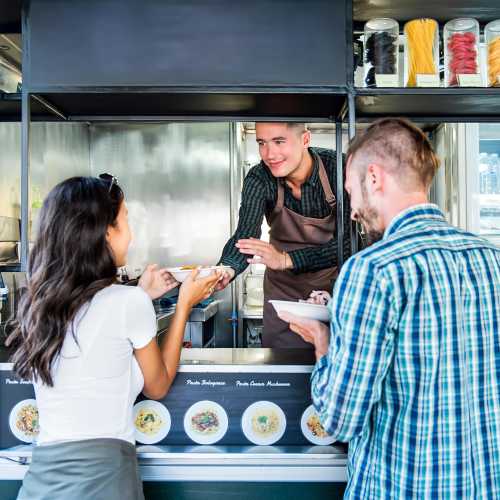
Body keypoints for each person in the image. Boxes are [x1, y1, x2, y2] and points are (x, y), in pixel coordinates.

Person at [279, 118, 500, 498]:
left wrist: (322, 340)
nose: (352, 211)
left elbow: (339, 419)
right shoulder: (491, 259)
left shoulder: (372, 270)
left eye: (353, 193)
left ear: (375, 178)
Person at [6, 175, 221, 500]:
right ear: (106, 232)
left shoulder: (37, 305)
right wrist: (183, 306)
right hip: (104, 481)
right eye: (126, 222)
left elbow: (98, 332)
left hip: (42, 482)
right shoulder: (126, 303)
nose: (131, 235)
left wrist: (141, 295)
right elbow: (157, 386)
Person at [216, 122, 351, 348]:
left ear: (305, 140)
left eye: (279, 141)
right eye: (262, 143)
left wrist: (287, 259)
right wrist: (225, 269)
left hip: (334, 291)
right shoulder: (260, 177)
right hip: (283, 295)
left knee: (334, 358)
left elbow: (349, 246)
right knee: (282, 367)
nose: (270, 155)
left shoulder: (340, 168)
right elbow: (245, 234)